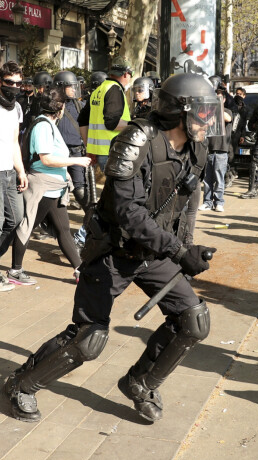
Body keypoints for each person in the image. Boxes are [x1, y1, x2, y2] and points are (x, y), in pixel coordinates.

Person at [2, 73, 219, 423]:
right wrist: (179, 251)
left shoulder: (197, 147)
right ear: (179, 112)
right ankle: (19, 387)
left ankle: (140, 383)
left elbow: (183, 202)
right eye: (203, 113)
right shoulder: (138, 140)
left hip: (154, 253)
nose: (209, 121)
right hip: (113, 252)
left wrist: (188, 249)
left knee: (192, 321)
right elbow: (127, 213)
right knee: (89, 337)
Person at [7, 89, 91, 285]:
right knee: (26, 227)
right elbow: (46, 159)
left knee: (63, 229)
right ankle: (15, 270)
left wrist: (67, 169)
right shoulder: (43, 126)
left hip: (54, 187)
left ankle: (80, 270)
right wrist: (75, 161)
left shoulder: (47, 124)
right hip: (43, 186)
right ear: (60, 108)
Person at [0, 61, 28, 292]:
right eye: (10, 82)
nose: (14, 87)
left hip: (10, 172)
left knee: (16, 218)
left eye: (18, 83)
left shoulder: (16, 108)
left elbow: (14, 142)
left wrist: (20, 170)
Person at [86, 56, 133, 171]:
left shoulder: (98, 90)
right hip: (113, 152)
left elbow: (82, 121)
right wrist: (134, 125)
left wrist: (90, 149)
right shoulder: (115, 90)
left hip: (100, 152)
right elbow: (111, 123)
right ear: (126, 74)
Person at [53, 70, 88, 210]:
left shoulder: (81, 106)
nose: (74, 89)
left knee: (80, 190)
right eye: (71, 86)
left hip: (76, 153)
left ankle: (92, 224)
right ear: (61, 87)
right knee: (54, 191)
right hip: (56, 154)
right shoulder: (52, 106)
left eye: (75, 86)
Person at [199, 78, 232, 212]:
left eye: (219, 97)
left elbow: (227, 118)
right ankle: (207, 201)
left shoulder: (228, 111)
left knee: (219, 178)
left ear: (224, 99)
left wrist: (217, 106)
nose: (216, 99)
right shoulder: (208, 111)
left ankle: (219, 202)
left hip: (221, 150)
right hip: (208, 149)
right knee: (207, 179)